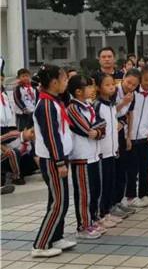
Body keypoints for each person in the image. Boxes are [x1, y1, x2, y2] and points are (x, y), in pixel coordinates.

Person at [32, 65, 76, 258]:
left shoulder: (54, 100)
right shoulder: (46, 105)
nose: (67, 82)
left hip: (59, 157)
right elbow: (51, 136)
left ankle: (56, 236)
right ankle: (40, 245)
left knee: (59, 199)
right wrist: (59, 162)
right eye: (65, 79)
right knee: (59, 202)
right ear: (54, 82)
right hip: (52, 160)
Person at [66, 75, 107, 239]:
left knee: (95, 189)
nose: (92, 90)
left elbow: (101, 124)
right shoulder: (73, 109)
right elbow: (86, 130)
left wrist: (97, 131)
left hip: (94, 154)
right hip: (81, 156)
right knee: (84, 193)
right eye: (88, 87)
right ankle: (83, 225)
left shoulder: (88, 106)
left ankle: (92, 218)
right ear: (78, 91)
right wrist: (97, 131)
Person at [94, 72, 128, 223]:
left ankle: (107, 212)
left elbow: (114, 125)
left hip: (112, 151)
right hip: (102, 152)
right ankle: (100, 214)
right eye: (107, 85)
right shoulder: (97, 105)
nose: (111, 87)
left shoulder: (111, 105)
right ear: (98, 87)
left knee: (110, 183)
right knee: (102, 185)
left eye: (112, 84)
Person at [125, 64, 148, 207]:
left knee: (145, 167)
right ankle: (130, 196)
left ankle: (144, 194)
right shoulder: (133, 92)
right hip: (131, 136)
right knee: (132, 168)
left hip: (145, 136)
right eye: (145, 80)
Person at [115, 69, 139, 214]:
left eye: (134, 85)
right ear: (123, 78)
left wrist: (129, 136)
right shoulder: (113, 91)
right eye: (128, 82)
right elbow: (107, 111)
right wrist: (123, 102)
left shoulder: (133, 95)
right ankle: (112, 203)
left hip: (122, 133)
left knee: (122, 168)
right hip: (110, 133)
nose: (130, 86)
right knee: (114, 170)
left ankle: (120, 200)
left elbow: (130, 115)